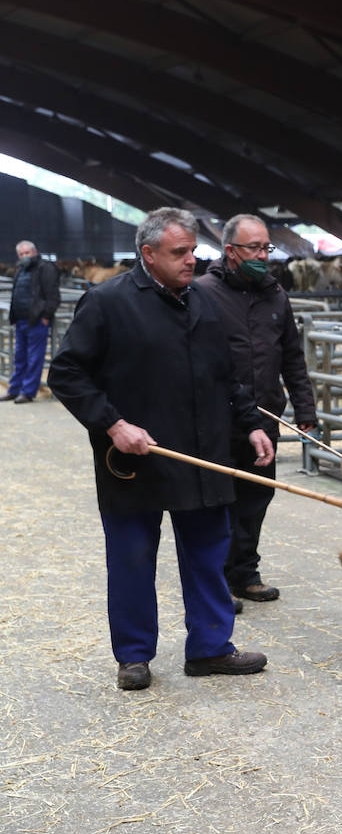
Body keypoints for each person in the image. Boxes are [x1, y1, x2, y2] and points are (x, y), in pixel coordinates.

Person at [48, 207, 275, 691]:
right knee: (132, 558)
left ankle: (211, 648)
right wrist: (112, 424)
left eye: (193, 250)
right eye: (179, 252)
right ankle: (133, 656)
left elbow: (228, 377)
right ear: (148, 254)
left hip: (203, 454)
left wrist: (251, 425)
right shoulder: (107, 302)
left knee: (208, 555)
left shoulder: (204, 303)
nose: (191, 260)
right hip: (137, 460)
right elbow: (66, 373)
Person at [196, 214, 316, 605]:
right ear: (230, 251)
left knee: (257, 497)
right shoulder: (203, 293)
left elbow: (293, 357)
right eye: (254, 248)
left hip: (265, 414)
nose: (263, 255)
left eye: (267, 247)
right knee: (218, 498)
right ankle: (216, 580)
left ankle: (245, 572)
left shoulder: (276, 295)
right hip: (216, 419)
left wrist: (305, 408)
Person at [3, 240, 61, 404]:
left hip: (36, 321)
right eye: (21, 254)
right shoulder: (21, 270)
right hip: (20, 321)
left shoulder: (46, 268)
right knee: (19, 357)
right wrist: (14, 317)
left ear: (34, 252)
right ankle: (14, 389)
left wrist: (45, 317)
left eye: (26, 253)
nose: (24, 256)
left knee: (34, 357)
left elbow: (53, 297)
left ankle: (28, 392)